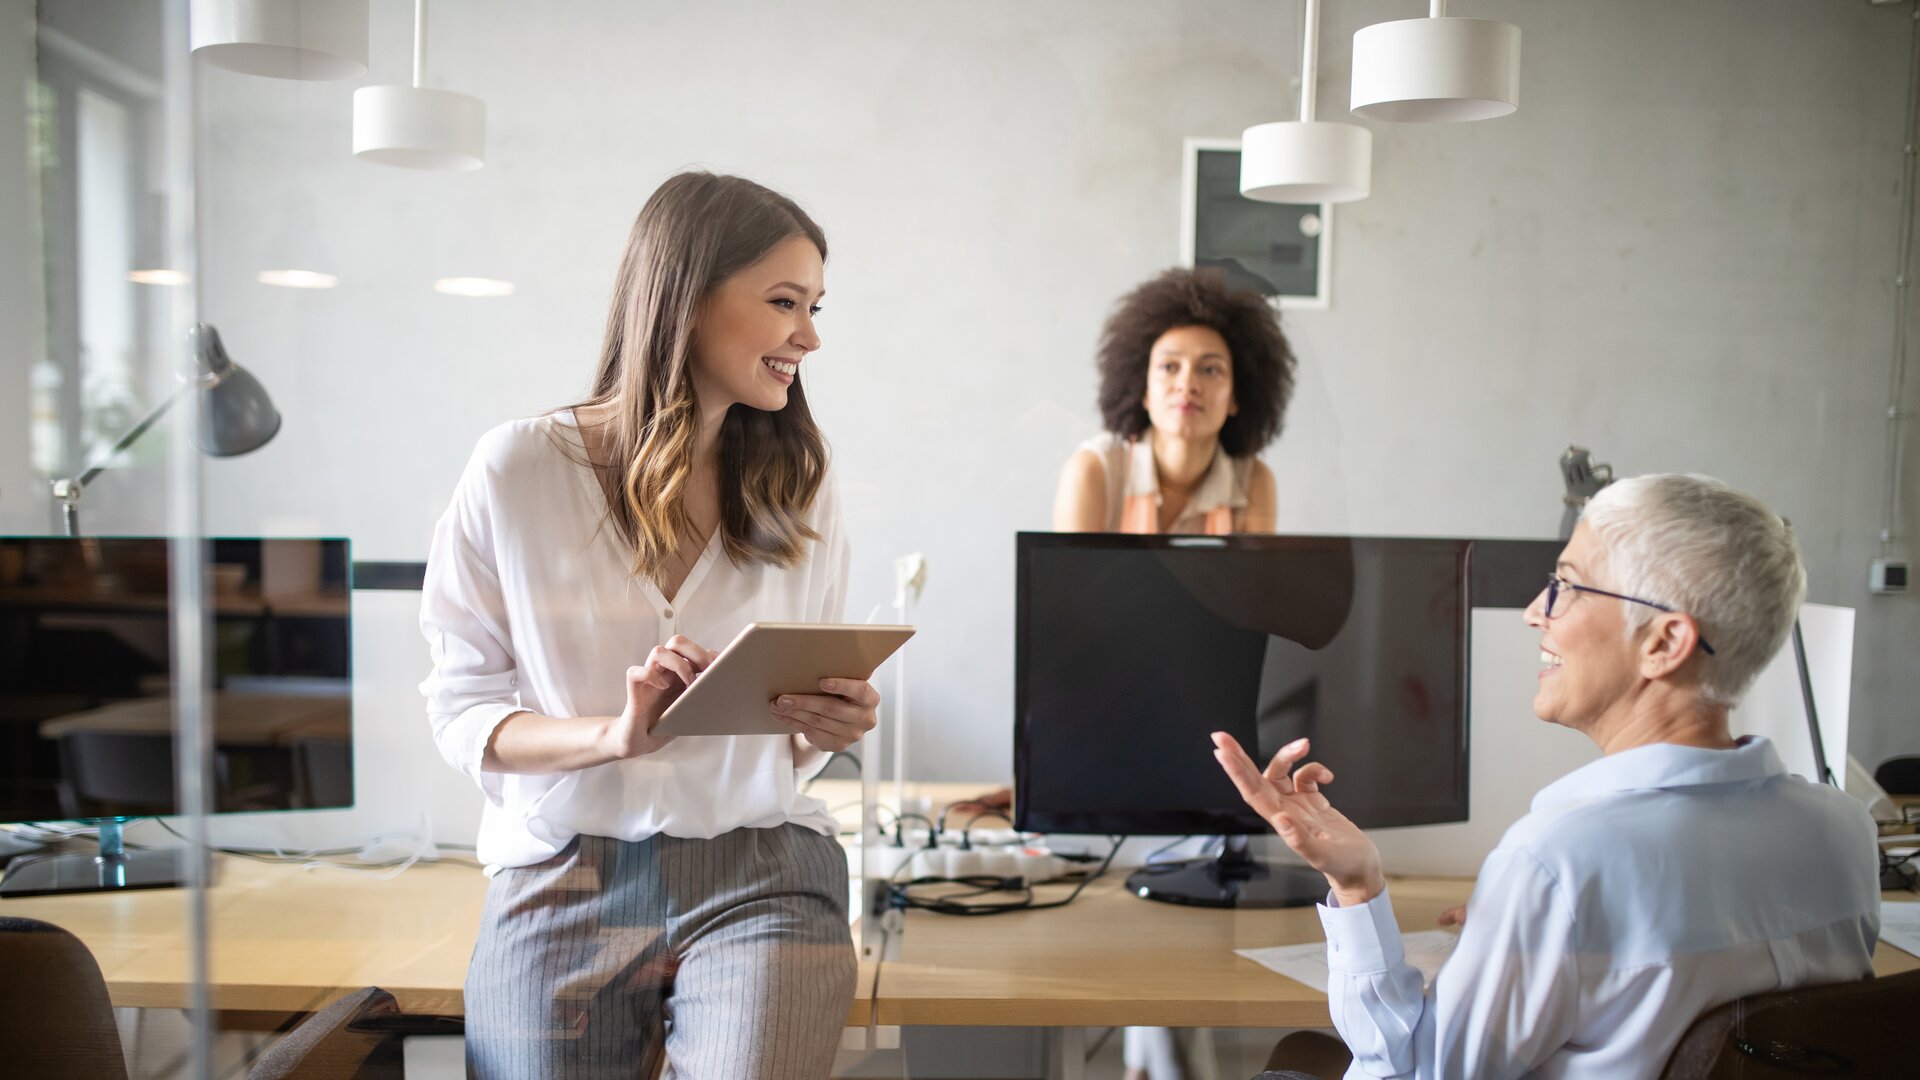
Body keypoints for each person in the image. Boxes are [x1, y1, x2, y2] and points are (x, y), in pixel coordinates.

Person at [420, 172, 876, 1080]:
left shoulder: (801, 485)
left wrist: (826, 724)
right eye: (785, 303)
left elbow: (793, 736)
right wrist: (612, 736)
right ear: (685, 297)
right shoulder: (517, 470)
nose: (809, 336)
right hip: (564, 875)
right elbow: (461, 710)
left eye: (815, 306)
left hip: (762, 867)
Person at [1217, 473, 1881, 1080]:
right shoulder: (1844, 832)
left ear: (1664, 644)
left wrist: (1358, 887)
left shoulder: (1558, 864)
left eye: (1567, 585)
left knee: (1297, 1057)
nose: (1536, 610)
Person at [1053, 267, 1292, 535]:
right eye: (1169, 367)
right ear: (1143, 391)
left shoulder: (1254, 483)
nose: (1187, 385)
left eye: (1210, 369)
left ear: (1236, 397)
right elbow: (1069, 577)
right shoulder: (1092, 472)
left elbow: (1256, 579)